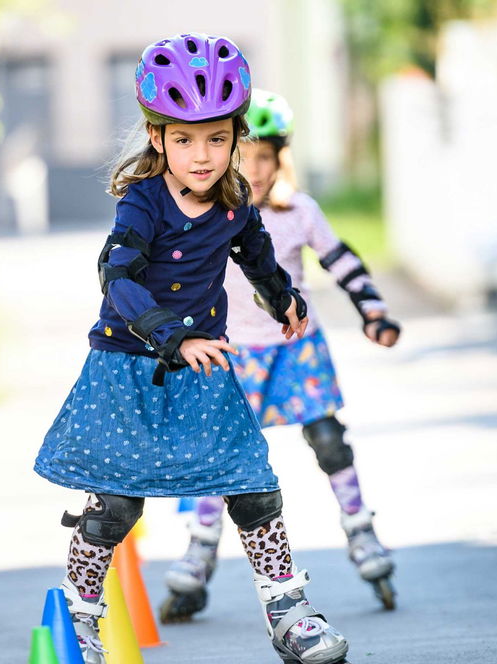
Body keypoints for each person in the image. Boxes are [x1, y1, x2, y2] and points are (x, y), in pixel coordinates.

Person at [34, 35, 365, 664]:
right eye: (186, 140)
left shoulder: (235, 201)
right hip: (128, 368)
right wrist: (175, 336)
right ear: (158, 139)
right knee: (116, 502)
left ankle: (291, 617)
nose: (203, 155)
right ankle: (79, 621)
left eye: (217, 139)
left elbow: (257, 253)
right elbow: (117, 278)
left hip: (203, 370)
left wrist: (284, 298)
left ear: (235, 137)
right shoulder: (143, 202)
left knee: (252, 488)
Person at [158, 89, 401, 626]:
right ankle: (199, 552)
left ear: (279, 159)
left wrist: (374, 312)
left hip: (295, 349)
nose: (254, 170)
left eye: (264, 158)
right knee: (216, 455)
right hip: (230, 351)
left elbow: (341, 261)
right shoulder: (206, 212)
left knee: (328, 437)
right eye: (243, 157)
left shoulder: (298, 211)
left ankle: (361, 531)